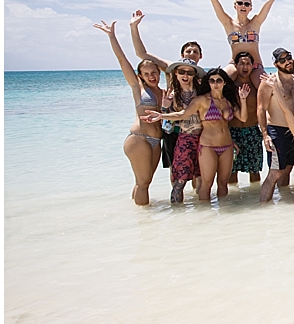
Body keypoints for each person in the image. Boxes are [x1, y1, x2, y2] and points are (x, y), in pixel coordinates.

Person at [145, 67, 250, 202]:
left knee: (223, 183)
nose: (215, 83)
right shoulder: (202, 100)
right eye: (212, 81)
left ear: (224, 82)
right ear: (208, 83)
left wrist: (243, 99)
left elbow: (243, 118)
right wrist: (161, 115)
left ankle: (224, 216)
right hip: (208, 147)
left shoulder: (228, 101)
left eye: (219, 80)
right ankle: (204, 216)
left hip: (227, 146)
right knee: (206, 184)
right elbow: (182, 114)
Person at [94, 19, 164, 205]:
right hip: (139, 139)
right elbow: (122, 60)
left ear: (159, 72)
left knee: (144, 182)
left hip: (157, 141)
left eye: (154, 72)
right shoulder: (138, 88)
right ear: (140, 76)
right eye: (147, 74)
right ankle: (145, 226)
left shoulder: (165, 92)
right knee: (143, 183)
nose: (151, 77)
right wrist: (112, 36)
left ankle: (137, 216)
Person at [187, 0, 294, 64]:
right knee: (220, 80)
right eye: (240, 3)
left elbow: (269, 2)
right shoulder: (228, 23)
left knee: (265, 84)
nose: (243, 6)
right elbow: (214, 0)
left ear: (250, 8)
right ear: (235, 6)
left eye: (246, 4)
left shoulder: (256, 22)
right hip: (235, 64)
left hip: (255, 65)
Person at [257, 48, 294, 201]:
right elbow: (261, 109)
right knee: (275, 172)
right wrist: (265, 135)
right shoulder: (269, 82)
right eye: (282, 60)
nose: (287, 62)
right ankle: (263, 208)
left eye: (289, 57)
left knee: (287, 171)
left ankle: (284, 208)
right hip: (276, 131)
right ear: (276, 63)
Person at [161, 60, 205, 202]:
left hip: (203, 139)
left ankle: (203, 214)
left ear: (194, 75)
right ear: (176, 73)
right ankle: (176, 216)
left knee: (202, 178)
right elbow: (167, 124)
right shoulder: (173, 95)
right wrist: (165, 108)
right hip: (185, 139)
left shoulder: (202, 92)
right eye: (182, 72)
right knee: (180, 181)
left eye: (189, 72)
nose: (185, 75)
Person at [227, 49, 266, 185]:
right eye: (241, 64)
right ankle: (232, 200)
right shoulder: (229, 87)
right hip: (232, 131)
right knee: (231, 170)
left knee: (254, 170)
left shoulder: (256, 86)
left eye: (248, 63)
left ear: (252, 66)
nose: (245, 67)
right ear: (236, 66)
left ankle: (255, 198)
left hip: (252, 130)